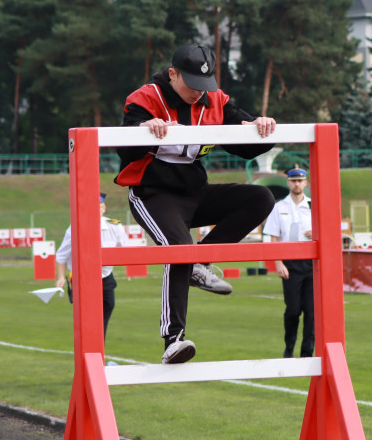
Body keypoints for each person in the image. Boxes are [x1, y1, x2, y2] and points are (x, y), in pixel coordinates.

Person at [117, 43, 276, 365]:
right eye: (191, 85)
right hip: (153, 194)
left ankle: (200, 264)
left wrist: (261, 128)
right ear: (172, 74)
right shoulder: (145, 98)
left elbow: (245, 145)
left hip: (195, 193)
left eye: (204, 86)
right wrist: (142, 131)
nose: (197, 93)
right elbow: (124, 149)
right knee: (179, 249)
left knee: (260, 197)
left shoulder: (216, 101)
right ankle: (173, 339)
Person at [55, 192, 127, 336]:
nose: (96, 210)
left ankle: (100, 349)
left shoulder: (115, 227)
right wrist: (61, 277)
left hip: (105, 278)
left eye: (99, 207)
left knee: (106, 311)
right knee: (87, 319)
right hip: (83, 280)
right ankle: (88, 351)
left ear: (104, 208)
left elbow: (124, 250)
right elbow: (61, 256)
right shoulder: (75, 229)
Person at [263, 168, 314, 359]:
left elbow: (327, 234)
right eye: (293, 181)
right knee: (293, 311)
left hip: (311, 263)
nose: (297, 184)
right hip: (290, 264)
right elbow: (274, 237)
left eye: (300, 181)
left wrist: (317, 233)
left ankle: (307, 353)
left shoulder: (313, 206)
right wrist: (278, 263)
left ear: (306, 183)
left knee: (311, 311)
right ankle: (289, 348)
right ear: (288, 183)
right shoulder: (279, 207)